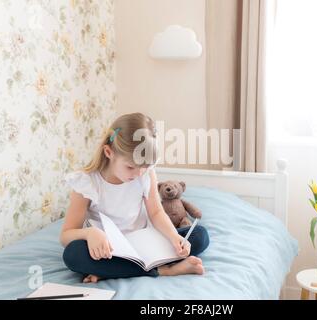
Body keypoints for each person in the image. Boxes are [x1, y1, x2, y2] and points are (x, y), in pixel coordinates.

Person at [60, 112, 210, 283]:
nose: (139, 173)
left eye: (145, 167)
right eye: (131, 167)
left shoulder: (146, 174)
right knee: (73, 254)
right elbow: (66, 235)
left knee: (199, 235)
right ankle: (164, 270)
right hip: (109, 250)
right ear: (109, 153)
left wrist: (174, 237)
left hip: (144, 241)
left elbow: (156, 212)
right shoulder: (87, 182)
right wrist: (90, 234)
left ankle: (113, 271)